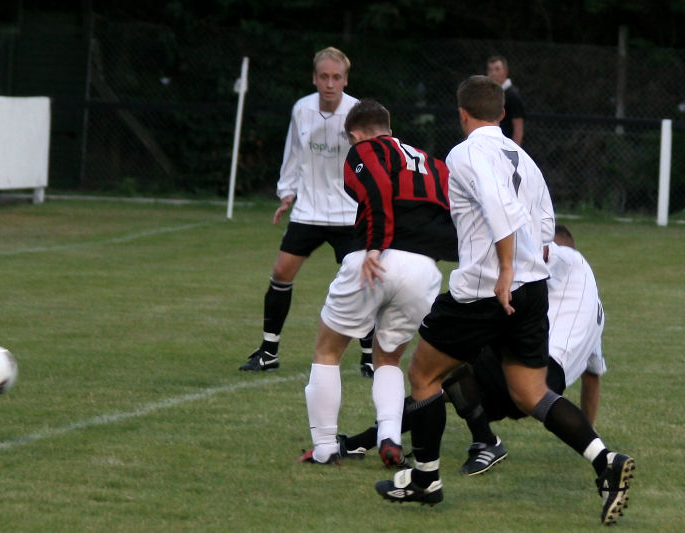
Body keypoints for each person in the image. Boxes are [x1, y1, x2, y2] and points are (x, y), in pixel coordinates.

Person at [374, 76, 634, 527]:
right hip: (534, 289)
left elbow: (499, 209)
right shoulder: (523, 157)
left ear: (461, 114)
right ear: (500, 112)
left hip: (487, 287)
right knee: (530, 392)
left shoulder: (466, 152)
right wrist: (525, 266)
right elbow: (547, 219)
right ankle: (605, 461)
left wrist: (507, 270)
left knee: (422, 373)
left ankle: (425, 481)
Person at [332, 225, 608, 477]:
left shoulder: (565, 256)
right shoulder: (595, 310)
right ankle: (370, 440)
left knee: (443, 363)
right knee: (448, 383)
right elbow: (592, 379)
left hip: (531, 367)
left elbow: (542, 249)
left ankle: (484, 443)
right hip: (547, 384)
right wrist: (585, 435)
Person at [298, 99, 457, 465]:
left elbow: (378, 186)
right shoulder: (432, 163)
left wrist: (374, 247)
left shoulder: (364, 149)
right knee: (388, 357)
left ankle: (324, 449)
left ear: (355, 135)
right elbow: (457, 213)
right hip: (423, 269)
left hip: (376, 259)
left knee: (327, 350)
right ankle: (389, 438)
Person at [239, 47, 375, 375]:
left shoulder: (357, 112)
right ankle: (269, 352)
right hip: (308, 210)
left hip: (347, 213)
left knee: (364, 282)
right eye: (324, 77)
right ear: (314, 78)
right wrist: (287, 193)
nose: (330, 84)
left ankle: (369, 358)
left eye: (336, 77)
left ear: (345, 80)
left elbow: (371, 160)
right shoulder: (302, 109)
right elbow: (294, 152)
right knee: (281, 273)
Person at [486, 55, 525, 145]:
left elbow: (518, 128)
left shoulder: (513, 95)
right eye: (490, 70)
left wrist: (514, 150)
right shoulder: (488, 94)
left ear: (506, 71)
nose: (493, 73)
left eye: (497, 69)